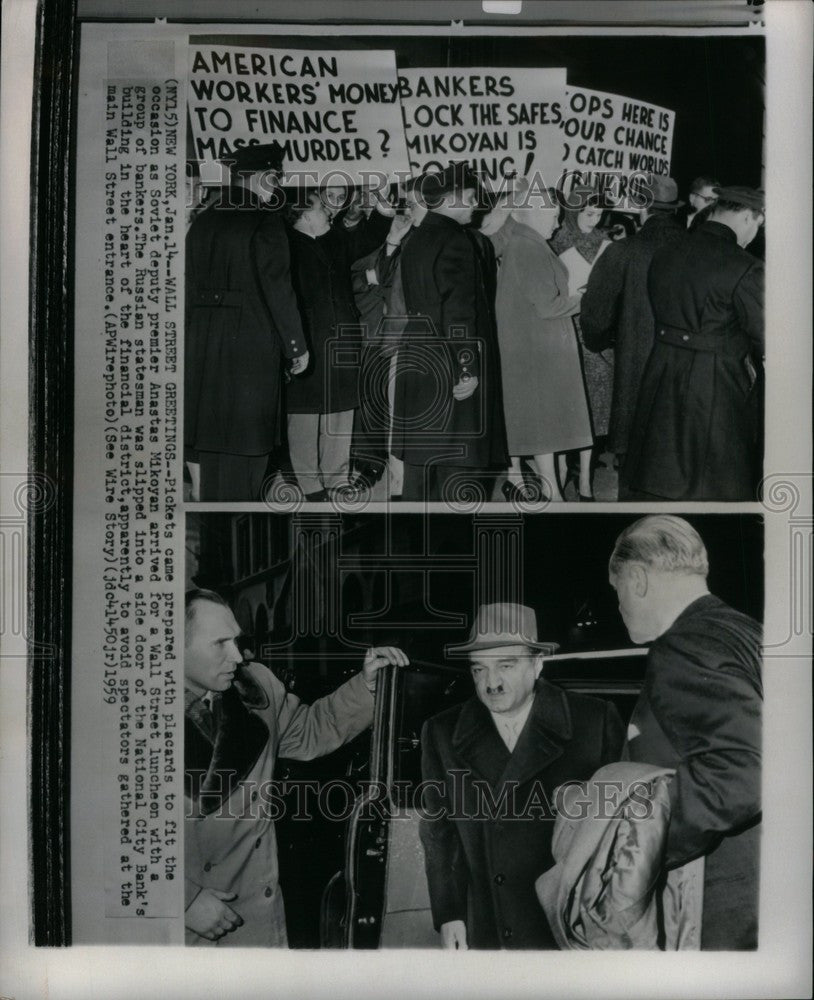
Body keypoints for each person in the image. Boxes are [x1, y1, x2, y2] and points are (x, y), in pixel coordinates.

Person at [183, 587, 408, 946]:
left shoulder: (256, 687)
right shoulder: (130, 716)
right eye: (220, 643)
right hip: (182, 925)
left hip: (253, 911)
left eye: (236, 641)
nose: (237, 656)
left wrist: (366, 685)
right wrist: (183, 900)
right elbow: (104, 834)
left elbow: (309, 730)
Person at [419, 603, 624, 950]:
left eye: (506, 666)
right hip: (489, 928)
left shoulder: (594, 723)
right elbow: (440, 832)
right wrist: (450, 913)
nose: (491, 683)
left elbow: (623, 836)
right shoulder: (442, 733)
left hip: (569, 931)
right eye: (478, 670)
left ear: (537, 664)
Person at [608, 516, 762, 949]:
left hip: (721, 898)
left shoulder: (683, 645)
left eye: (616, 593)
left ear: (637, 579)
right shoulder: (744, 631)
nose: (618, 609)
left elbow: (741, 774)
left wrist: (639, 845)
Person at [184, 142, 309, 502]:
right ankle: (241, 554)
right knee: (247, 469)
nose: (279, 184)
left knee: (211, 467)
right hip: (250, 361)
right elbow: (279, 292)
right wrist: (297, 348)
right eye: (277, 177)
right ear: (262, 177)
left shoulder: (203, 221)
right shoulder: (265, 222)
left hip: (203, 358)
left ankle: (216, 554)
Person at [624, 186, 765, 500]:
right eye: (756, 226)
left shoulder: (667, 253)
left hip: (661, 368)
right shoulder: (746, 266)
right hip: (716, 380)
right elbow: (767, 334)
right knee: (715, 477)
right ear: (747, 217)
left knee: (661, 465)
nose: (753, 236)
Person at [392, 164, 507, 502]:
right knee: (458, 467)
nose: (476, 206)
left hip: (419, 360)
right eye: (471, 198)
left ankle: (415, 546)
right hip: (450, 364)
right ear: (452, 199)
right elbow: (459, 313)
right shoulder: (456, 241)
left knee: (423, 466)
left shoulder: (416, 237)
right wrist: (468, 369)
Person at [483, 185, 592, 502]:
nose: (557, 223)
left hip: (533, 346)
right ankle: (552, 495)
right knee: (545, 424)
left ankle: (551, 490)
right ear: (531, 214)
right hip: (538, 350)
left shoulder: (522, 243)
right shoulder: (528, 247)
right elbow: (547, 306)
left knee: (545, 425)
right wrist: (582, 299)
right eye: (553, 215)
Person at [579, 175, 685, 498]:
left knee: (634, 478)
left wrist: (603, 345)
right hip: (686, 377)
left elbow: (594, 317)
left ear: (642, 211)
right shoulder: (696, 249)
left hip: (635, 375)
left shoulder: (624, 251)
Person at [284, 186, 392, 500]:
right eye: (321, 208)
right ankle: (309, 484)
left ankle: (335, 476)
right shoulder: (285, 245)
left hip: (342, 340)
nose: (329, 211)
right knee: (304, 416)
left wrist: (382, 200)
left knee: (341, 410)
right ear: (304, 215)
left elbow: (370, 237)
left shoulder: (335, 241)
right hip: (308, 342)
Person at [550, 187, 614, 500]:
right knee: (564, 404)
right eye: (588, 213)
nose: (594, 219)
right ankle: (561, 469)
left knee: (595, 405)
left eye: (600, 214)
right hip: (564, 327)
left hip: (596, 334)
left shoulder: (608, 242)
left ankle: (585, 476)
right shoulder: (555, 239)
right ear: (573, 210)